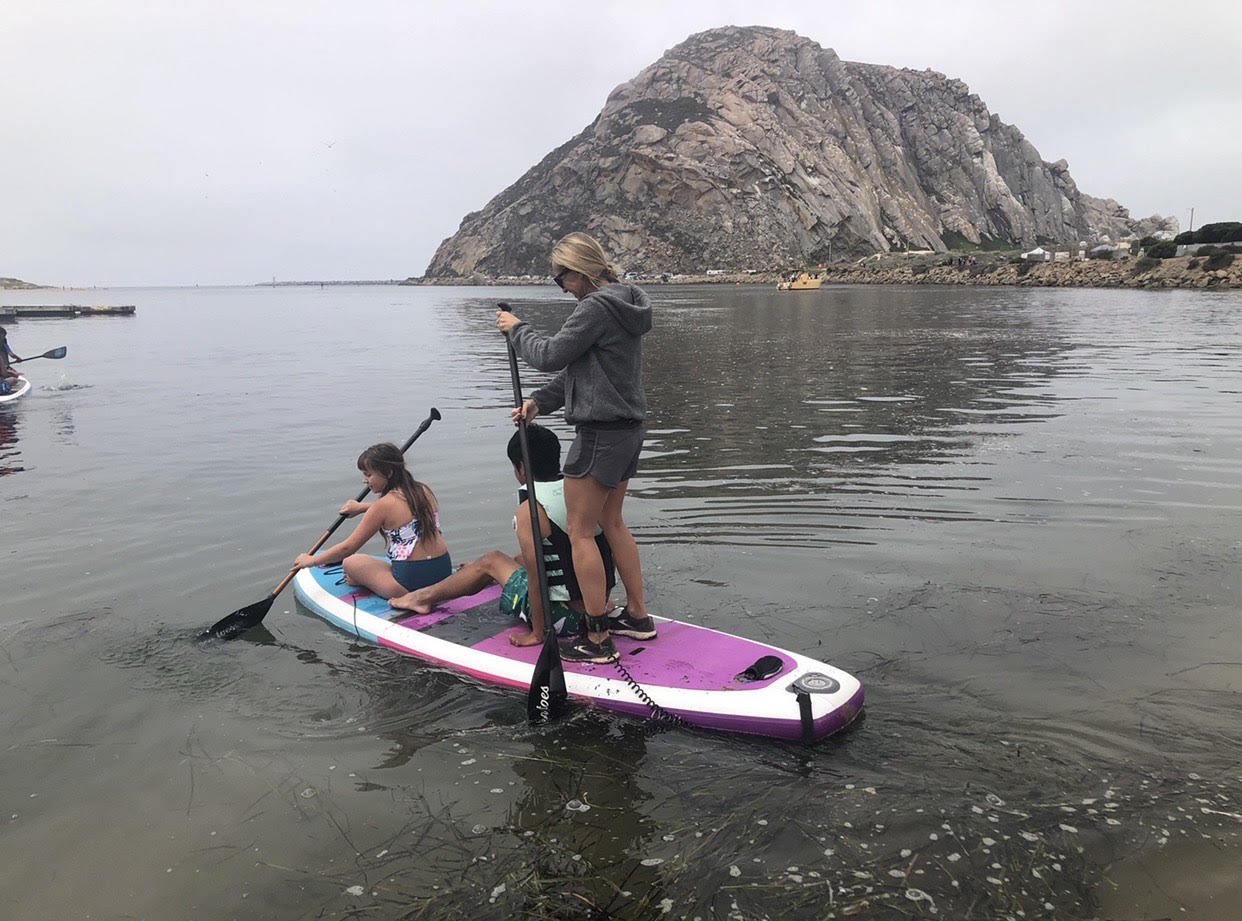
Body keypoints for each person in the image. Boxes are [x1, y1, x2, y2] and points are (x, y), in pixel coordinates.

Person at [495, 231, 655, 663]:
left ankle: (598, 637)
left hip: (600, 434)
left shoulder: (595, 307)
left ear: (579, 270)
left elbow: (548, 355)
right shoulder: (624, 304)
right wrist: (538, 403)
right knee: (614, 523)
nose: (560, 286)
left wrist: (517, 330)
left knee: (582, 533)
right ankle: (638, 617)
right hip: (628, 429)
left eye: (560, 277)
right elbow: (578, 373)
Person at [391, 424, 621, 654]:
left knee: (492, 560)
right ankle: (478, 574)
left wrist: (537, 633)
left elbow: (537, 578)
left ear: (521, 468)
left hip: (563, 620)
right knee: (519, 559)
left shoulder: (529, 511)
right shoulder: (584, 494)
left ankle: (423, 597)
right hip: (596, 611)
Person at [292, 442, 451, 597]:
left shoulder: (382, 507)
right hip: (443, 575)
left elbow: (347, 549)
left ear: (388, 473)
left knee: (351, 562)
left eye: (369, 474)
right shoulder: (423, 490)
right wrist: (361, 507)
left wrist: (311, 561)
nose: (365, 480)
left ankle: (367, 582)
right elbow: (401, 511)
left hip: (407, 587)